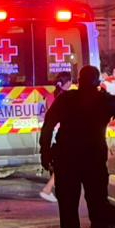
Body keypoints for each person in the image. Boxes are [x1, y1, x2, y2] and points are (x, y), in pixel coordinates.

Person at [38, 65, 115, 228]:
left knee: (68, 207)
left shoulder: (66, 99)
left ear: (79, 81)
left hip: (67, 160)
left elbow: (48, 125)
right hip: (93, 160)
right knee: (97, 203)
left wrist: (45, 153)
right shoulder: (104, 100)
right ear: (97, 82)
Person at [39, 71, 74, 204]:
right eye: (70, 81)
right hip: (61, 133)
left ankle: (50, 189)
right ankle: (47, 189)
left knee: (62, 164)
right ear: (68, 82)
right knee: (64, 164)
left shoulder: (50, 95)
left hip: (52, 132)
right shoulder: (66, 97)